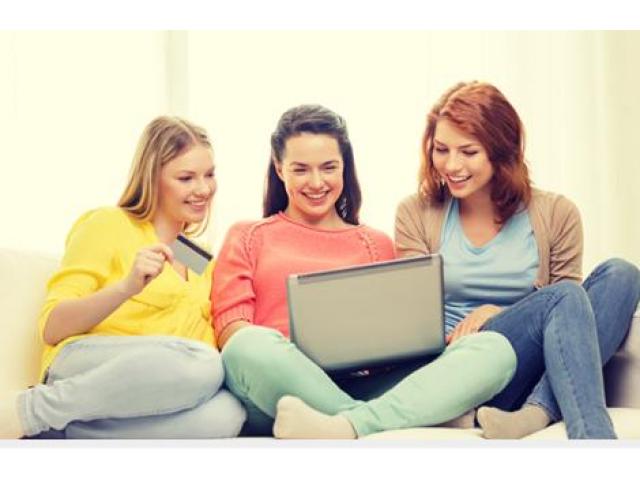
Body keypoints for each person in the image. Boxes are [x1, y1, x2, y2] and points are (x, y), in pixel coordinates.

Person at [211, 104, 517, 439]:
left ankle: (346, 426)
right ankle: (388, 419)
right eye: (301, 170)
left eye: (329, 167)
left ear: (345, 166)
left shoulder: (376, 244)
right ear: (279, 168)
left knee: (494, 350)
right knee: (247, 345)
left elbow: (398, 337)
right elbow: (231, 331)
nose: (316, 182)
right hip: (279, 390)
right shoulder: (248, 236)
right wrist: (298, 359)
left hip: (364, 383)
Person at [395, 81, 640, 439]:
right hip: (463, 367)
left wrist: (497, 312)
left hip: (532, 367)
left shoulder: (556, 213)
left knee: (622, 274)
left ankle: (537, 412)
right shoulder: (416, 214)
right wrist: (490, 325)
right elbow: (414, 324)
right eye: (441, 150)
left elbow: (571, 319)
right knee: (565, 296)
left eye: (468, 151)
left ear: (501, 151)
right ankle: (593, 439)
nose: (451, 165)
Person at [0, 116, 246, 439]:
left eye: (209, 174)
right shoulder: (109, 224)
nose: (203, 189)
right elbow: (52, 327)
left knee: (228, 413)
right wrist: (126, 288)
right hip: (86, 364)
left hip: (150, 385)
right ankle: (31, 410)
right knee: (203, 363)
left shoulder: (198, 258)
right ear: (152, 179)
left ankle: (65, 431)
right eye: (186, 178)